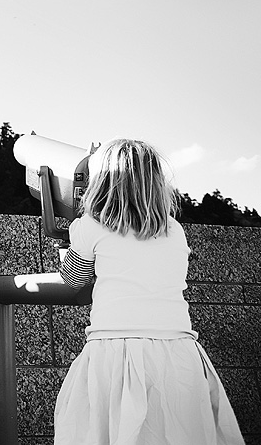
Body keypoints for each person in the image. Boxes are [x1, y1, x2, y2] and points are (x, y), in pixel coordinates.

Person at [54, 139, 244, 445]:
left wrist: (67, 251)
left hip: (116, 351)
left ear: (101, 181)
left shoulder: (89, 226)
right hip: (178, 352)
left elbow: (75, 280)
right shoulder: (173, 230)